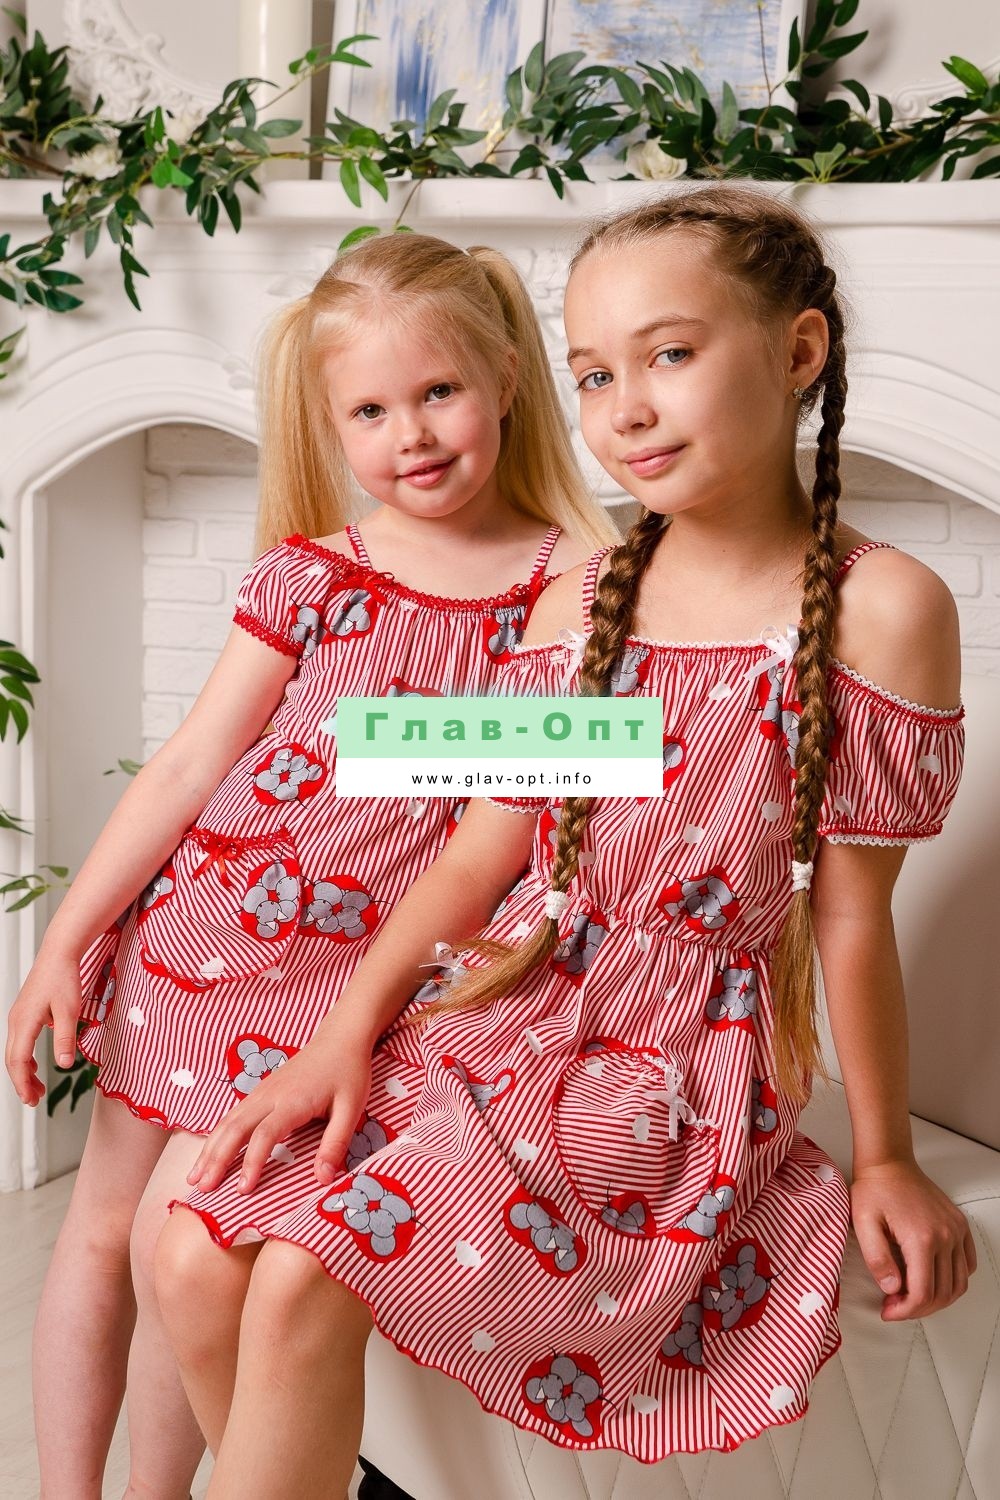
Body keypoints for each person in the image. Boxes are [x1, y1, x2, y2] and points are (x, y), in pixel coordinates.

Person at [155, 187, 976, 1497]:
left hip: (667, 1066)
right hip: (500, 1011)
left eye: (670, 354)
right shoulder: (580, 597)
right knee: (192, 1252)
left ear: (799, 351)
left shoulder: (882, 607)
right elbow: (480, 859)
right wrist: (341, 1037)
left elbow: (850, 913)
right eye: (593, 375)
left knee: (307, 1267)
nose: (626, 409)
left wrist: (884, 1157)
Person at [4, 230, 614, 1500]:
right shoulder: (316, 573)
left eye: (438, 392)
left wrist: (399, 749)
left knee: (181, 1239)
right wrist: (65, 938)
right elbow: (189, 765)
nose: (413, 436)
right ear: (331, 426)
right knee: (107, 1228)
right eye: (370, 412)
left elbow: (546, 801)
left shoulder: (577, 587)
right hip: (206, 937)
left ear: (507, 378)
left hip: (358, 982)